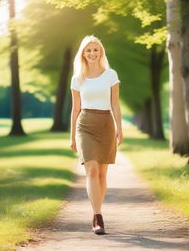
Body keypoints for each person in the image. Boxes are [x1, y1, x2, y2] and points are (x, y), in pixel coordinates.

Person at [69, 35, 123, 235]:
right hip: (85, 125)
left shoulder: (110, 75)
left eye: (95, 50)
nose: (92, 53)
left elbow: (115, 104)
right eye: (88, 50)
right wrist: (72, 136)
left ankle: (97, 211)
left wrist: (119, 127)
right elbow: (75, 109)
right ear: (83, 53)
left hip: (106, 124)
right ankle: (97, 216)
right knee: (91, 170)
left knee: (102, 174)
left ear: (101, 52)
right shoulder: (77, 78)